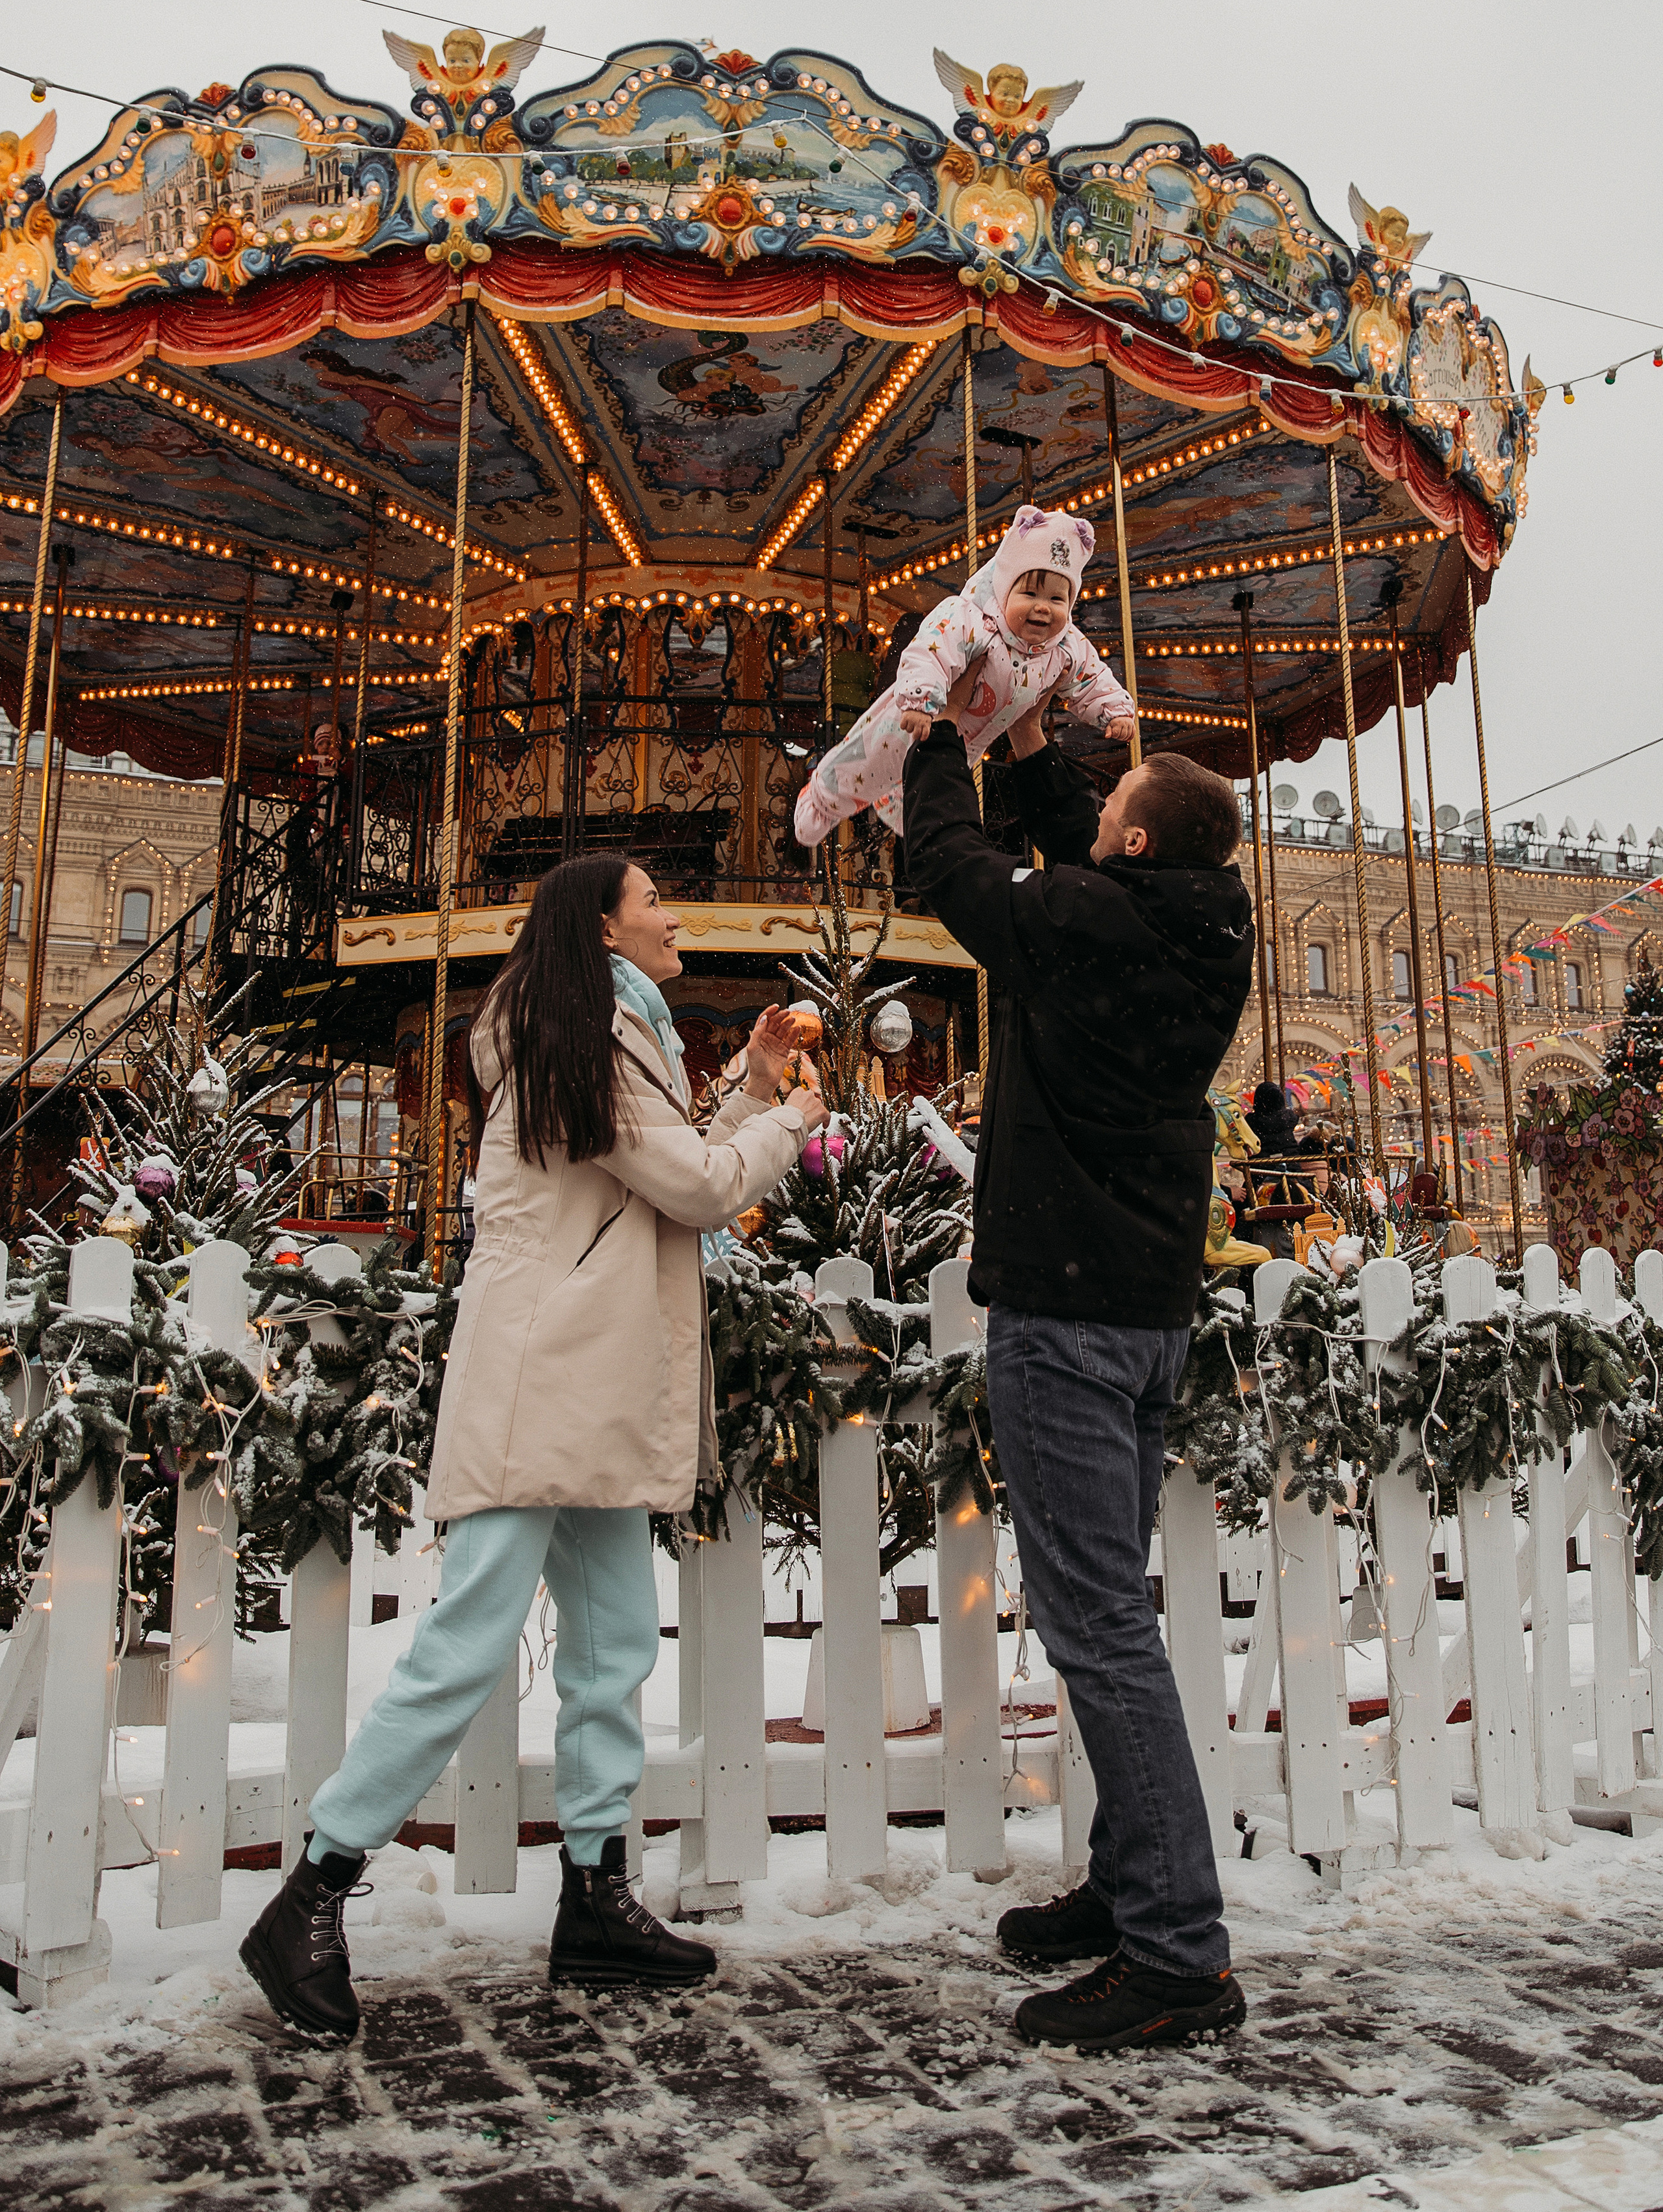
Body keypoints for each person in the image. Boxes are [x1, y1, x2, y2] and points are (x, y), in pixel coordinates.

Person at [240, 854, 828, 2041]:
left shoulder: (607, 1031)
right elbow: (702, 1191)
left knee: (611, 1645)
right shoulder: (582, 1036)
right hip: (548, 1370)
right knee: (468, 1640)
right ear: (604, 927)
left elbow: (654, 1171)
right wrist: (791, 1122)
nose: (674, 916)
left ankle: (598, 1894)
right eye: (654, 900)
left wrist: (749, 1091)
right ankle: (314, 1888)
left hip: (590, 1371)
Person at [901, 671, 1254, 2054]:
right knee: (1118, 1617)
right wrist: (1037, 744)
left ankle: (1176, 1955)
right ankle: (1128, 1890)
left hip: (1064, 1309)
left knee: (1098, 1625)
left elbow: (953, 869)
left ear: (1132, 844)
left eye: (1108, 809)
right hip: (1149, 1306)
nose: (1091, 818)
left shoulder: (1086, 920)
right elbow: (1074, 848)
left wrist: (932, 731)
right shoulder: (1190, 922)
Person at [794, 505, 1136, 848]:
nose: (1043, 607)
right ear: (1004, 590)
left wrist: (1114, 710)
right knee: (866, 764)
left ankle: (900, 810)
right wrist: (920, 698)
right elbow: (931, 651)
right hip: (914, 716)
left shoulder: (1066, 647)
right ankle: (822, 798)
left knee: (933, 783)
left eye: (1057, 599)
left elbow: (1093, 678)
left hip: (965, 741)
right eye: (1030, 594)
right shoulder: (973, 621)